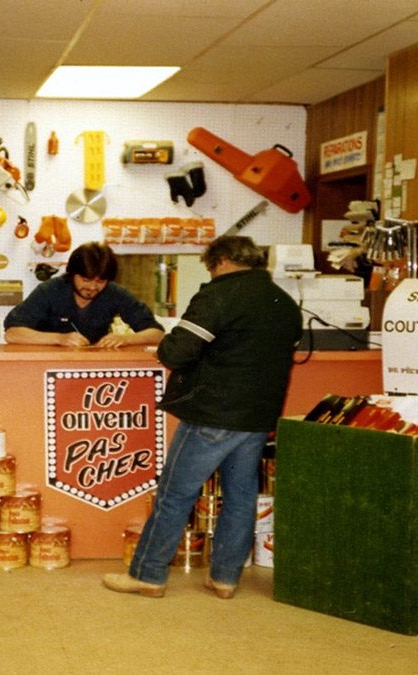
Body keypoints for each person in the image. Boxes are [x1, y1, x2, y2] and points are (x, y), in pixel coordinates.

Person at [103, 236, 302, 599]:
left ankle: (148, 574)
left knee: (174, 494)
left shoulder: (218, 295)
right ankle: (225, 579)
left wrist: (165, 346)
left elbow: (176, 352)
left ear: (222, 261)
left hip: (212, 413)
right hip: (257, 417)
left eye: (211, 267)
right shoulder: (285, 303)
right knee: (241, 497)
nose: (211, 274)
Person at [4, 241, 164, 347]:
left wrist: (125, 339)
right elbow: (12, 334)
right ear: (72, 273)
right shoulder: (50, 291)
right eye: (86, 279)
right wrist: (59, 339)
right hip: (47, 366)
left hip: (90, 370)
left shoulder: (114, 293)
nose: (93, 287)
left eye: (101, 281)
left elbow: (157, 334)